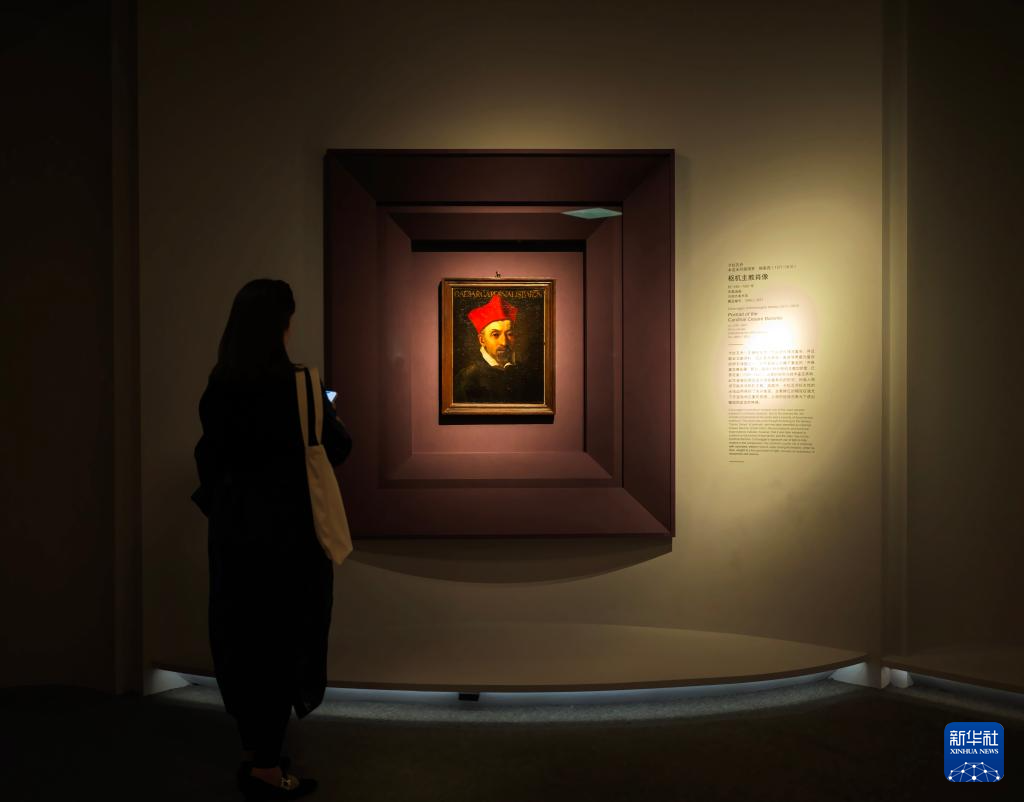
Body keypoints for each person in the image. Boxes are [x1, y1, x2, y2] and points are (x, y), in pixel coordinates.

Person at [192, 279, 351, 800]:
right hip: (291, 534)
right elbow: (338, 447)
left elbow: (208, 458)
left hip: (235, 533)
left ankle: (253, 749)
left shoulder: (221, 383)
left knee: (242, 636)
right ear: (283, 323)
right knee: (287, 638)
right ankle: (265, 768)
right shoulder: (302, 383)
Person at [453, 292, 542, 404]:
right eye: (495, 334)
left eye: (509, 334)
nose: (504, 342)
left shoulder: (527, 374)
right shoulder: (467, 378)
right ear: (482, 340)